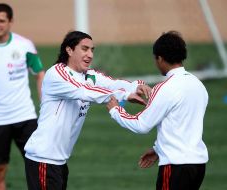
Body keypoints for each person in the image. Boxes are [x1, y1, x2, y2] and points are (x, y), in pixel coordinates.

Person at [24, 30, 151, 190]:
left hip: (59, 161)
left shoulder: (89, 75)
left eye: (92, 50)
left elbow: (113, 83)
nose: (90, 55)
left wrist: (137, 86)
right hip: (43, 159)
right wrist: (124, 95)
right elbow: (84, 91)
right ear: (69, 50)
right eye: (84, 49)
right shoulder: (57, 74)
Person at [107, 31, 208, 190]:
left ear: (160, 58)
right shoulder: (198, 85)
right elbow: (182, 125)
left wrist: (115, 111)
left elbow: (142, 125)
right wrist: (157, 149)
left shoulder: (165, 88)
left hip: (175, 166)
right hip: (198, 165)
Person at [0, 3, 45, 190]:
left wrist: (45, 106)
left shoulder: (24, 46)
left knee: (39, 168)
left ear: (10, 21)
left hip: (26, 118)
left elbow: (39, 74)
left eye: (1, 21)